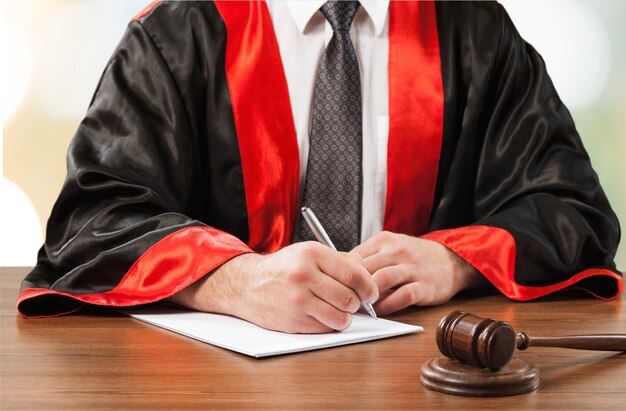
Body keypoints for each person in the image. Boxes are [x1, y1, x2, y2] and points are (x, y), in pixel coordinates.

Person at [18, 1, 622, 333]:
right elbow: (91, 220)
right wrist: (235, 280)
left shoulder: (473, 31)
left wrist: (453, 260)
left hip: (423, 384)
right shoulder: (177, 34)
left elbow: (572, 210)